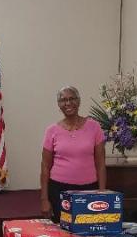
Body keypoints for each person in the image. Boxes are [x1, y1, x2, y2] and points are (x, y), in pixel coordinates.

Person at [40, 86, 106, 223]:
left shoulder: (95, 127)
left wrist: (102, 193)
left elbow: (100, 164)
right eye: (63, 100)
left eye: (72, 99)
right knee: (62, 231)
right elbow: (45, 167)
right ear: (59, 105)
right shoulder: (51, 131)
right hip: (59, 190)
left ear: (79, 101)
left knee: (88, 230)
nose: (68, 103)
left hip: (89, 190)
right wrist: (44, 199)